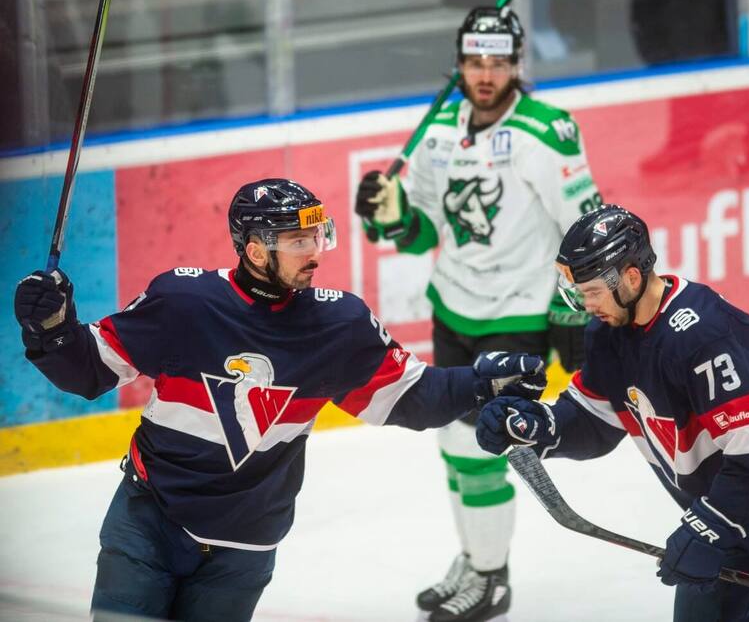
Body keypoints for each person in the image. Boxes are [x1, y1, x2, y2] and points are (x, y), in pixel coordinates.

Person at [12, 178, 547, 622]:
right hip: (150, 519)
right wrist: (52, 328)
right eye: (298, 241)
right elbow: (87, 371)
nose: (315, 253)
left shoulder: (338, 327)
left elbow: (413, 398)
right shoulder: (184, 303)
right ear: (254, 250)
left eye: (318, 237)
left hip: (245, 545)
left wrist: (482, 381)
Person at [476, 204, 749, 621]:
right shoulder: (608, 335)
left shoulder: (705, 335)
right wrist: (538, 427)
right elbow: (593, 421)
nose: (585, 306)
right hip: (723, 503)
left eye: (591, 292)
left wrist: (709, 527)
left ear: (630, 277)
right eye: (578, 293)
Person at [354, 6, 601, 622]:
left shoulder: (549, 132)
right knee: (453, 442)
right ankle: (475, 556)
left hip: (517, 316)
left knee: (479, 448)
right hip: (454, 307)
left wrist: (575, 313)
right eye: (474, 61)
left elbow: (586, 225)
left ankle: (491, 578)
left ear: (517, 63)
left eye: (497, 62)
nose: (485, 74)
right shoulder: (440, 128)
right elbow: (421, 232)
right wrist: (391, 216)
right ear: (459, 64)